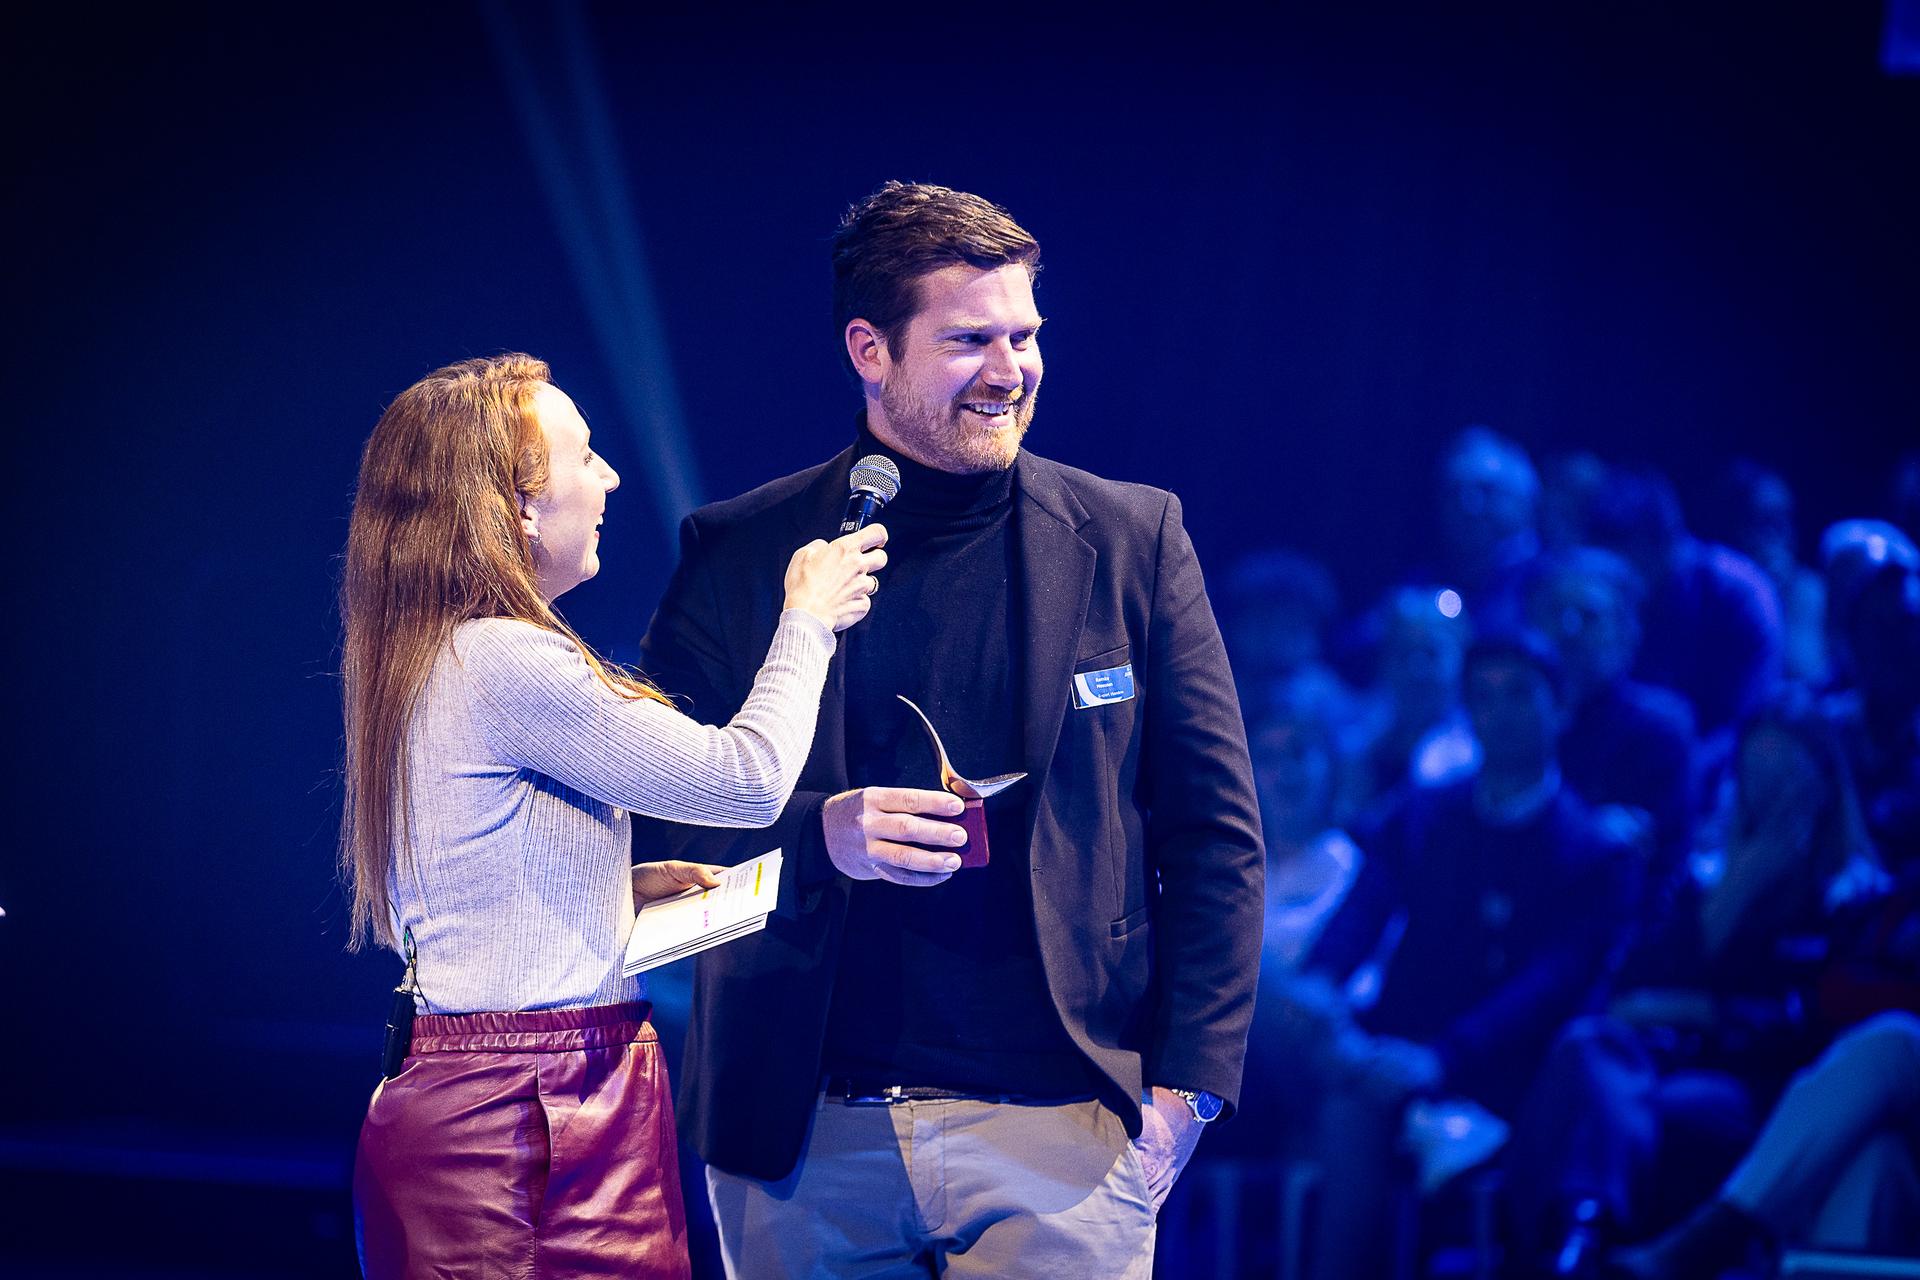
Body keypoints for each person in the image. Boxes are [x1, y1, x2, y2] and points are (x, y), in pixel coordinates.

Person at [631, 181, 1264, 1277]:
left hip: (1065, 1125)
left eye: (1025, 335)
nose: (1011, 369)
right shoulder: (740, 549)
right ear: (869, 349)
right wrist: (821, 834)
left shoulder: (1132, 537)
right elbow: (651, 824)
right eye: (971, 339)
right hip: (805, 1129)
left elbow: (1214, 834)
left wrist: (1185, 1093)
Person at [339, 355, 887, 1279]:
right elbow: (747, 780)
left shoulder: (430, 654)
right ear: (517, 504)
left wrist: (607, 887)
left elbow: (453, 885)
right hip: (530, 1105)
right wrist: (808, 621)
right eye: (584, 456)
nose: (610, 478)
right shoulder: (507, 661)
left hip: (499, 1092)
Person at [1285, 630, 1639, 1280]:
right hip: (1391, 1049)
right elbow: (1363, 911)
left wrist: (1445, 1056)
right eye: (1483, 697)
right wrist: (1322, 986)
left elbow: (1550, 985)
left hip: (1509, 1068)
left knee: (1360, 1094)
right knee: (1309, 1044)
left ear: (1559, 708)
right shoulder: (1424, 815)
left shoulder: (1593, 852)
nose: (1499, 713)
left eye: (1518, 695)